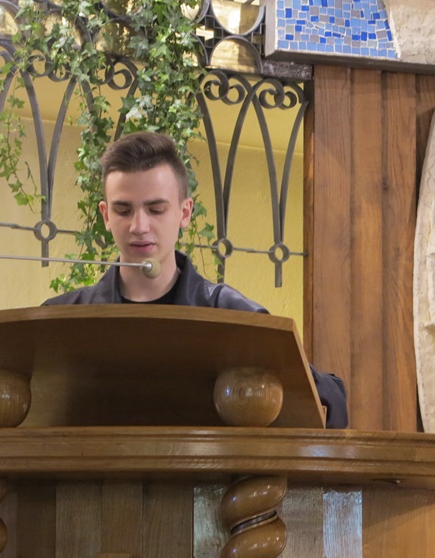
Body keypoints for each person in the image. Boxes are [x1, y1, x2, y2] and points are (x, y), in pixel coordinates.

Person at [43, 131, 348, 428]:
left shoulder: (231, 314)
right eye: (123, 210)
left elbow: (331, 398)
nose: (139, 226)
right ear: (106, 215)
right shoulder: (59, 319)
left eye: (156, 209)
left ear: (185, 212)